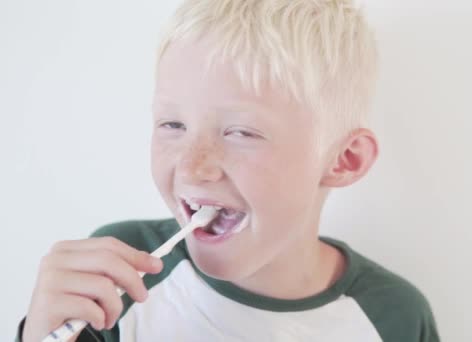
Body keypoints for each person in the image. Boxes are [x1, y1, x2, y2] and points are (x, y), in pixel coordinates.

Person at [18, 1, 440, 341]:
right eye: (173, 125)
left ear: (343, 160)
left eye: (241, 132)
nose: (191, 166)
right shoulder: (117, 282)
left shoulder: (394, 316)